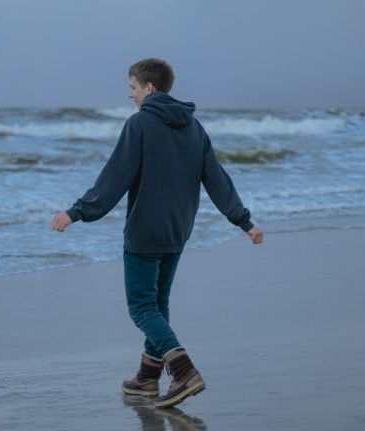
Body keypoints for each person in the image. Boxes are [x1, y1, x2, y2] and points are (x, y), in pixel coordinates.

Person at [51, 58, 263, 408]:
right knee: (158, 305)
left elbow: (113, 179)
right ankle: (147, 379)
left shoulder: (140, 125)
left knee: (141, 307)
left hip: (145, 231)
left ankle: (183, 370)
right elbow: (217, 180)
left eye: (132, 87)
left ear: (149, 88)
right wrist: (244, 222)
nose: (130, 94)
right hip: (178, 230)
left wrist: (76, 212)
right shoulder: (194, 128)